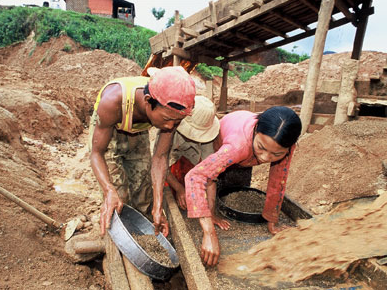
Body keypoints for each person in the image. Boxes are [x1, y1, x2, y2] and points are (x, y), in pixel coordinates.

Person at [185, 106, 302, 266]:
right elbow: (196, 176)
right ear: (255, 132)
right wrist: (209, 233)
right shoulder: (237, 146)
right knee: (213, 179)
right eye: (262, 148)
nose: (266, 158)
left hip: (245, 153)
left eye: (276, 154)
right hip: (223, 141)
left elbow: (278, 179)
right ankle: (211, 214)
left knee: (237, 181)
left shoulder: (283, 145)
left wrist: (272, 220)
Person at [88, 66, 196, 237]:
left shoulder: (172, 112)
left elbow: (160, 158)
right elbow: (96, 154)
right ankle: (121, 237)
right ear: (148, 101)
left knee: (143, 192)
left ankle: (144, 236)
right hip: (109, 130)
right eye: (168, 119)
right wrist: (109, 190)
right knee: (119, 198)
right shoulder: (113, 102)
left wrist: (157, 206)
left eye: (177, 122)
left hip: (137, 131)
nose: (170, 127)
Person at [165, 96, 229, 230]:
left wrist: (211, 214)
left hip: (190, 159)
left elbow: (210, 177)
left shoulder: (208, 140)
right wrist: (179, 189)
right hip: (170, 159)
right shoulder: (169, 128)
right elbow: (160, 165)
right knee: (166, 189)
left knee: (195, 176)